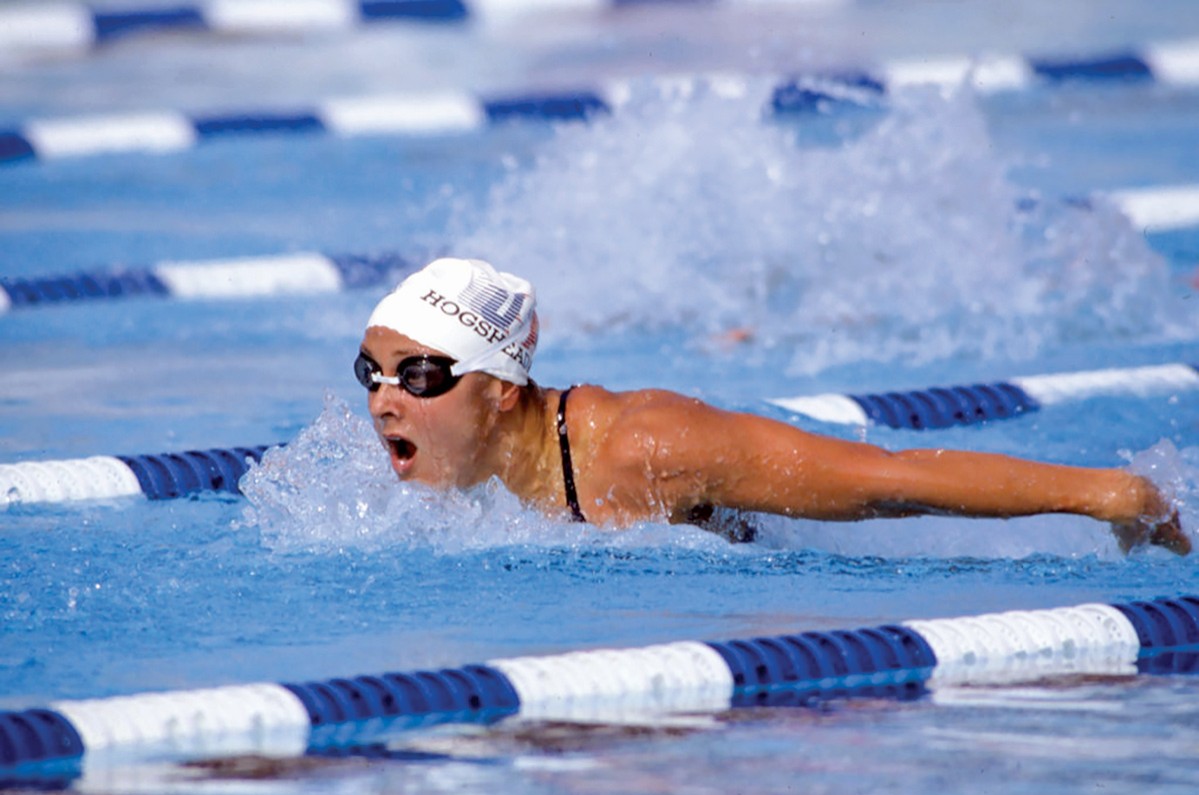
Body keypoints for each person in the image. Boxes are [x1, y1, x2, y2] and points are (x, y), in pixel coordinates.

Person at [355, 257, 1191, 555]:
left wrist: (1103, 496)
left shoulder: (647, 447)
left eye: (417, 375)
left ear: (500, 392)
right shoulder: (435, 473)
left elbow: (880, 481)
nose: (385, 401)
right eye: (372, 375)